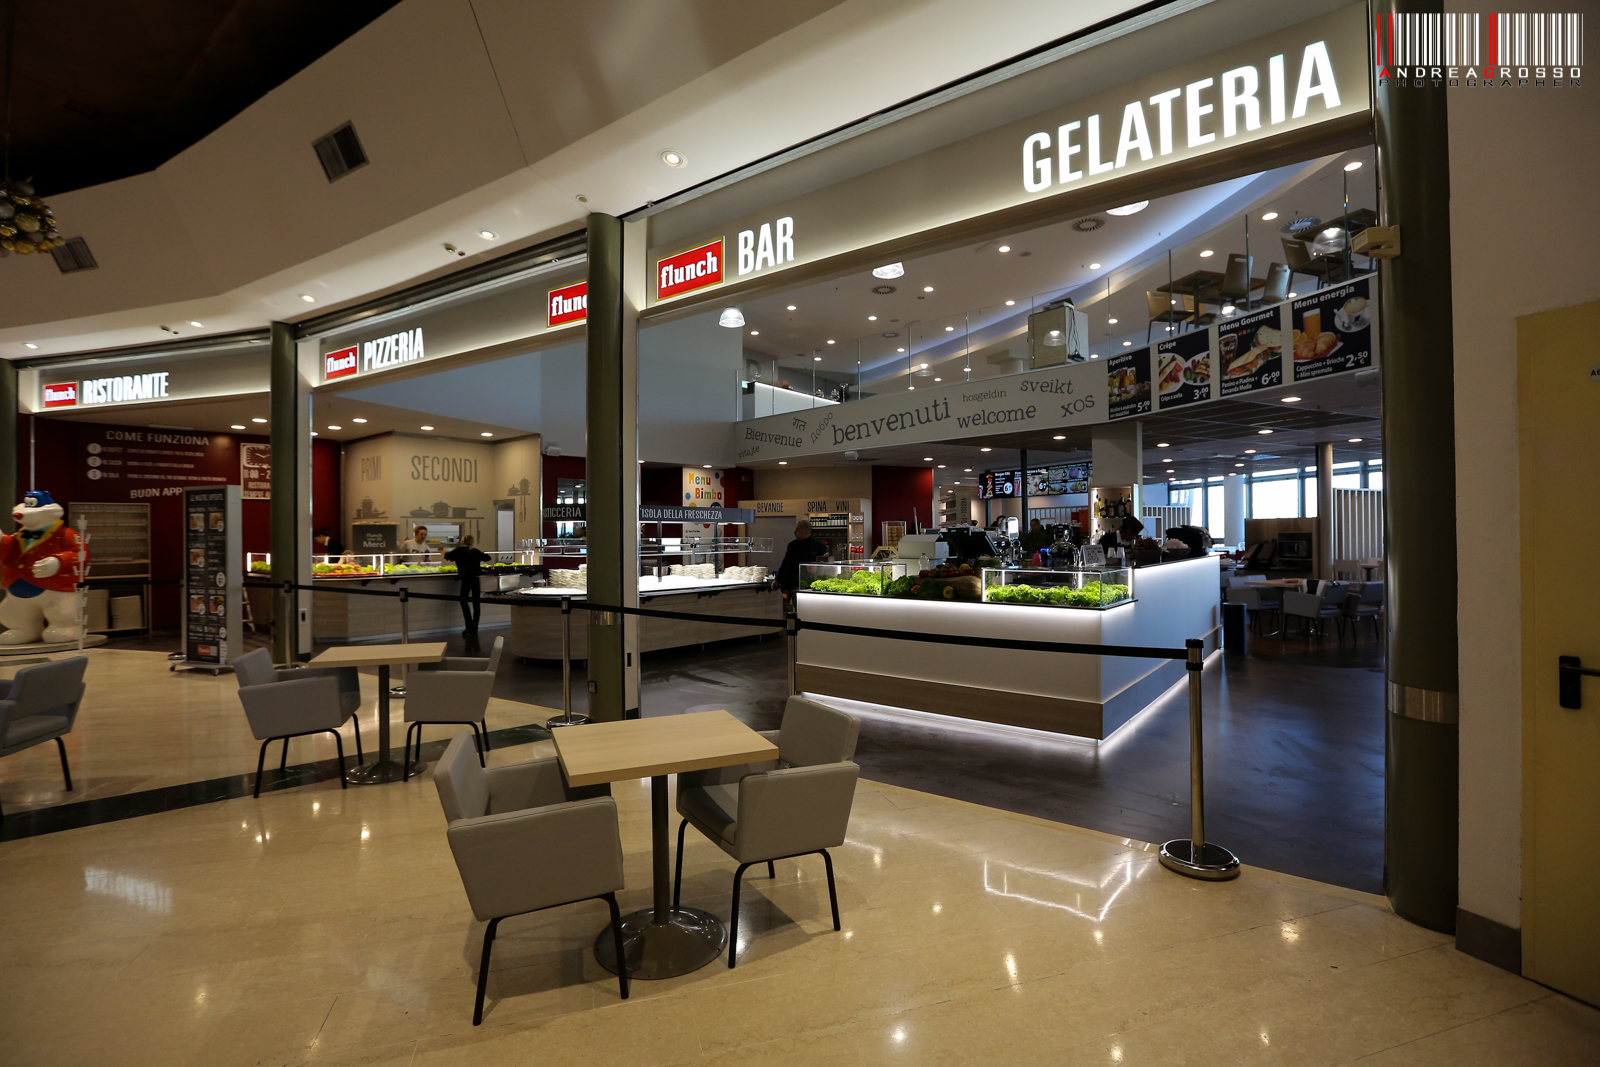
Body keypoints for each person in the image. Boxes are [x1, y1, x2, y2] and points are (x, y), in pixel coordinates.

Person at [445, 535, 491, 634]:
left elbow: (447, 556)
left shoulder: (459, 550)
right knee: (476, 602)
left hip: (466, 579)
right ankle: (475, 625)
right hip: (476, 579)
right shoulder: (475, 551)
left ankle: (469, 624)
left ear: (462, 541)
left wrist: (440, 550)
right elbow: (488, 557)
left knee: (463, 601)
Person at [775, 519, 830, 595]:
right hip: (790, 586)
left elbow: (826, 566)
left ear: (806, 532)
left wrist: (817, 569)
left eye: (798, 530)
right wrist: (777, 579)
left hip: (809, 587)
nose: (794, 532)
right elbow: (785, 564)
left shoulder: (818, 546)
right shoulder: (792, 545)